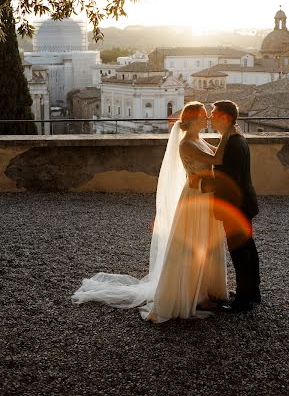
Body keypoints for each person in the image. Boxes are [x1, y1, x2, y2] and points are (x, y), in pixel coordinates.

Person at [71, 101, 232, 323]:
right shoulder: (186, 144)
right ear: (194, 119)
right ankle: (188, 294)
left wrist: (227, 135)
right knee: (193, 245)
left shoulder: (198, 138)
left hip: (205, 196)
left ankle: (202, 291)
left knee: (204, 244)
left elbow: (217, 154)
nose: (207, 119)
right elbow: (218, 159)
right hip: (195, 198)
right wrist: (228, 131)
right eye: (204, 115)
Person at [209, 100, 261, 313]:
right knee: (247, 249)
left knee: (240, 252)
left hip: (235, 206)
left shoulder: (232, 143)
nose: (210, 117)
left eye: (214, 114)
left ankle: (243, 300)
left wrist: (201, 183)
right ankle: (252, 293)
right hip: (243, 203)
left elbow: (228, 179)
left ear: (225, 117)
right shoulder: (233, 138)